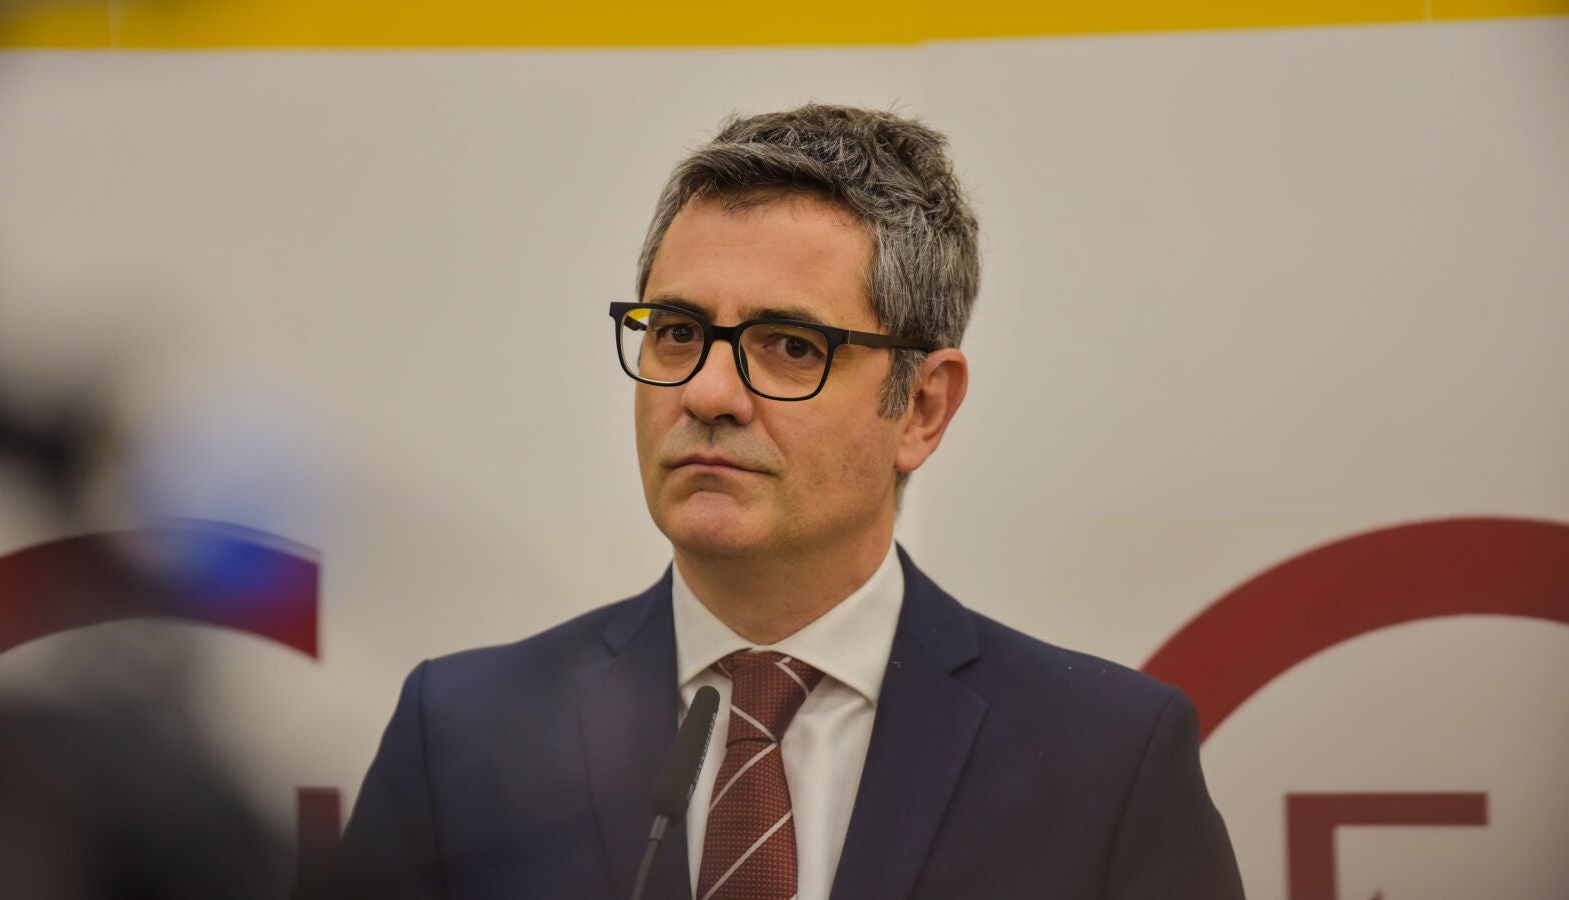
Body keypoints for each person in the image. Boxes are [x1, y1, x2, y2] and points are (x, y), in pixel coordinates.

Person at [338, 104, 1244, 900]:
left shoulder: (1105, 761)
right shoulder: (461, 736)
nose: (707, 393)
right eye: (678, 332)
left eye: (789, 346)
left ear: (922, 408)